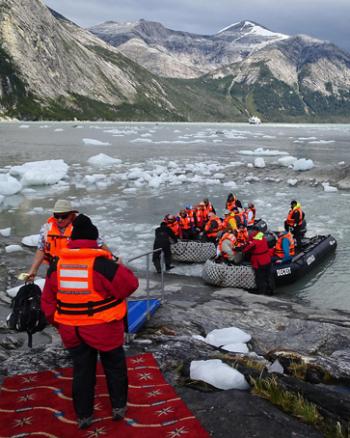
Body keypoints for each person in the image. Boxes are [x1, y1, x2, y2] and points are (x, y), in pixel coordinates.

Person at [41, 214, 139, 429]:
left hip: (72, 331)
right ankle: (118, 407)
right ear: (94, 241)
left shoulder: (56, 266)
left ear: (72, 240)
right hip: (105, 328)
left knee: (82, 371)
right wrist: (119, 266)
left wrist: (59, 321)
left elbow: (47, 300)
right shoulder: (103, 266)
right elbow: (130, 285)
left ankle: (84, 415)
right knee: (114, 367)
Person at [27, 199, 108, 281]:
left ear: (72, 215)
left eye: (64, 216)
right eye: (57, 216)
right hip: (54, 269)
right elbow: (41, 249)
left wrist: (112, 261)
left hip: (79, 269)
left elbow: (100, 245)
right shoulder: (47, 228)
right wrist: (33, 270)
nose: (60, 219)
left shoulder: (81, 227)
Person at [243, 226, 274, 295]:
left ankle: (261, 292)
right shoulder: (261, 236)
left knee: (260, 277)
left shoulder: (255, 241)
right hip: (267, 259)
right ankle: (270, 290)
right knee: (268, 276)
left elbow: (247, 249)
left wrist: (242, 249)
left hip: (259, 262)